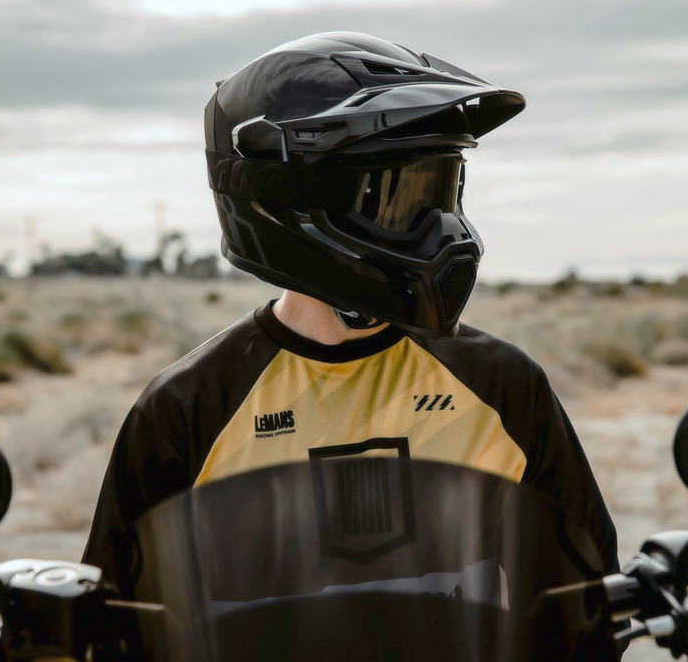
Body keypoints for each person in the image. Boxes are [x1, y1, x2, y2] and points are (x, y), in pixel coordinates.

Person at [83, 31, 618, 597]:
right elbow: (116, 620)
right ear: (293, 202)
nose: (443, 231)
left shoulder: (501, 385)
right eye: (401, 199)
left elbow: (585, 606)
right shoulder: (189, 407)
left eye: (444, 191)